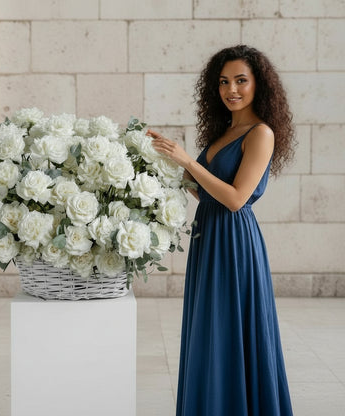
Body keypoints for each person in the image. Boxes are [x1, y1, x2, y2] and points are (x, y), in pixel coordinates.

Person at [147, 45, 295, 416]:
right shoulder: (226, 131)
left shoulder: (261, 133)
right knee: (210, 331)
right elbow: (205, 191)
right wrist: (167, 167)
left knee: (229, 329)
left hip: (234, 242)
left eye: (241, 80)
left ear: (259, 84)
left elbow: (235, 199)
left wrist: (186, 160)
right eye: (224, 82)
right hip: (209, 236)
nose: (232, 89)